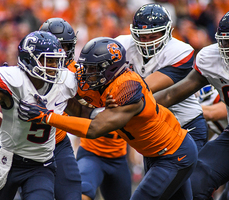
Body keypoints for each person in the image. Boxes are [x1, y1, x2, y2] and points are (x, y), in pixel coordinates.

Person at [18, 37, 198, 200]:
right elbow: (80, 109)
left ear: (110, 68)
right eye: (86, 66)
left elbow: (94, 128)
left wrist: (48, 117)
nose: (86, 72)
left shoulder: (128, 88)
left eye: (92, 68)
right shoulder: (103, 82)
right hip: (154, 154)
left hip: (174, 154)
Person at [0, 31, 77, 200]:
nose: (54, 66)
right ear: (29, 59)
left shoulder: (65, 81)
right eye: (48, 60)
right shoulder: (13, 81)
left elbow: (83, 112)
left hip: (41, 165)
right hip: (7, 162)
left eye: (56, 60)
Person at [40, 17, 132, 200]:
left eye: (63, 47)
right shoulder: (74, 77)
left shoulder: (83, 74)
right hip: (90, 151)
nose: (58, 53)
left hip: (120, 155)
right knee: (81, 192)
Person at [153, 11, 229, 200]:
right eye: (225, 42)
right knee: (194, 181)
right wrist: (138, 104)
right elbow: (173, 93)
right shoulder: (211, 58)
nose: (226, 47)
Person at [115, 3, 208, 152]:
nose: (147, 42)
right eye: (143, 36)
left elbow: (144, 88)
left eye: (153, 36)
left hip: (185, 123)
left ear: (167, 32)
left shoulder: (180, 51)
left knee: (188, 174)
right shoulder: (121, 44)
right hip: (154, 127)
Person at [39, 18, 82, 200]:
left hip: (58, 141)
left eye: (63, 47)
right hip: (26, 146)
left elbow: (88, 106)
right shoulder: (25, 71)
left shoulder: (74, 73)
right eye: (53, 46)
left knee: (71, 193)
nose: (58, 54)